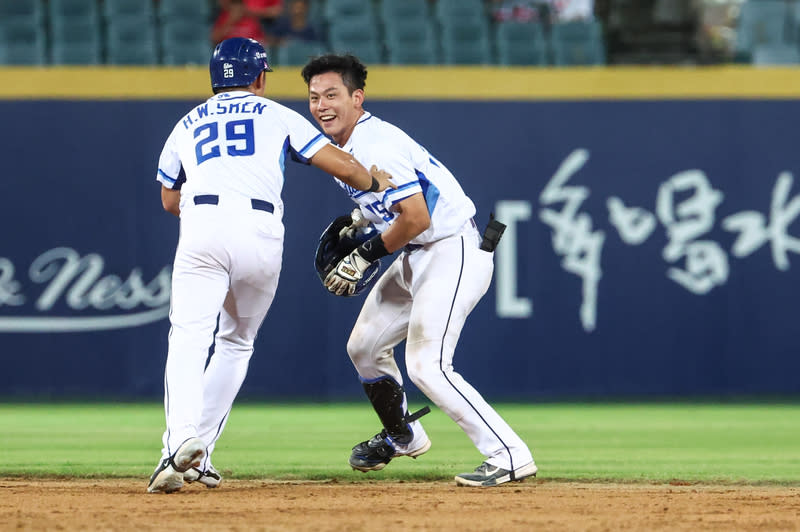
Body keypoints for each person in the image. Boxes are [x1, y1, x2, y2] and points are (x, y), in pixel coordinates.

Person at [147, 38, 394, 494]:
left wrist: (208, 209)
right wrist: (374, 178)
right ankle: (195, 457)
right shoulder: (275, 114)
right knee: (236, 343)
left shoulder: (186, 122)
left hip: (201, 223)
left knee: (188, 335)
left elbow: (167, 198)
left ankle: (180, 441)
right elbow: (341, 165)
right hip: (261, 230)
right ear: (259, 77)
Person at [301, 54, 538, 487]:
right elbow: (390, 211)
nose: (321, 105)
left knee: (427, 364)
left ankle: (509, 455)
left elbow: (416, 218)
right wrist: (358, 227)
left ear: (357, 98)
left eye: (332, 95)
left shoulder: (375, 143)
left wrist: (364, 253)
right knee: (365, 348)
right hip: (416, 257)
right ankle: (403, 434)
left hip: (452, 249)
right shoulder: (343, 148)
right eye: (314, 97)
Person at [210, 0, 284, 47]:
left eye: (239, 6)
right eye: (234, 5)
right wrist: (230, 21)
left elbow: (261, 42)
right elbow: (214, 38)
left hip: (248, 58)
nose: (237, 9)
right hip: (229, 57)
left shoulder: (251, 20)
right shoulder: (224, 18)